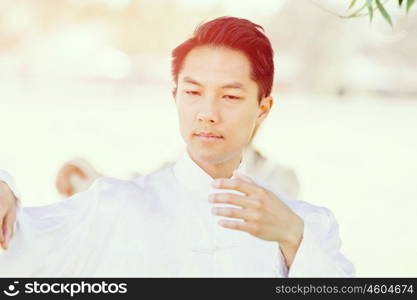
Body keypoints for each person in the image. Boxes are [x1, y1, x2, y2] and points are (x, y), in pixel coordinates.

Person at [0, 16, 354, 277]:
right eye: (193, 92)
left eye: (230, 96)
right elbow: (17, 243)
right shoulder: (112, 205)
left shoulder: (309, 224)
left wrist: (292, 237)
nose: (207, 114)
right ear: (175, 97)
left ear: (263, 109)